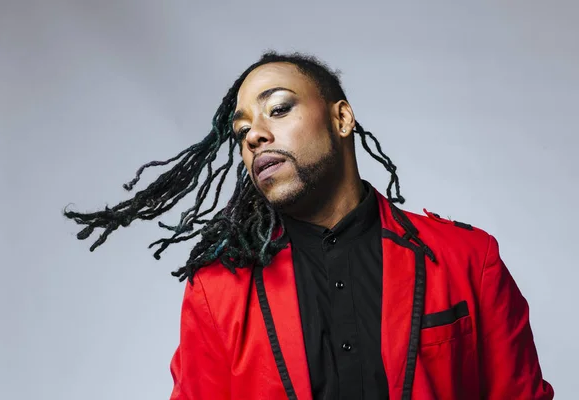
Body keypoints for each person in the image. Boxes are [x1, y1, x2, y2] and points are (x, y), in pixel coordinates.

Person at [64, 51, 554, 400]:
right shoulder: (216, 292)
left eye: (278, 108)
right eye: (241, 131)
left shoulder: (467, 258)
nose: (255, 134)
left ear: (341, 119)